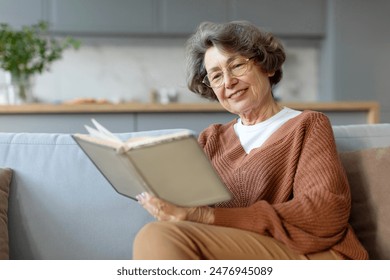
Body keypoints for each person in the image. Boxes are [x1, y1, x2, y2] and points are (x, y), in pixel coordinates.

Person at [133, 21, 368, 260]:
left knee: (157, 236)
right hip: (237, 250)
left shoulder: (307, 125)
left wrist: (206, 217)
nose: (228, 82)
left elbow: (324, 213)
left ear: (267, 67)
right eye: (216, 76)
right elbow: (191, 211)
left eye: (236, 66)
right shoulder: (211, 139)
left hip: (308, 252)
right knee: (161, 233)